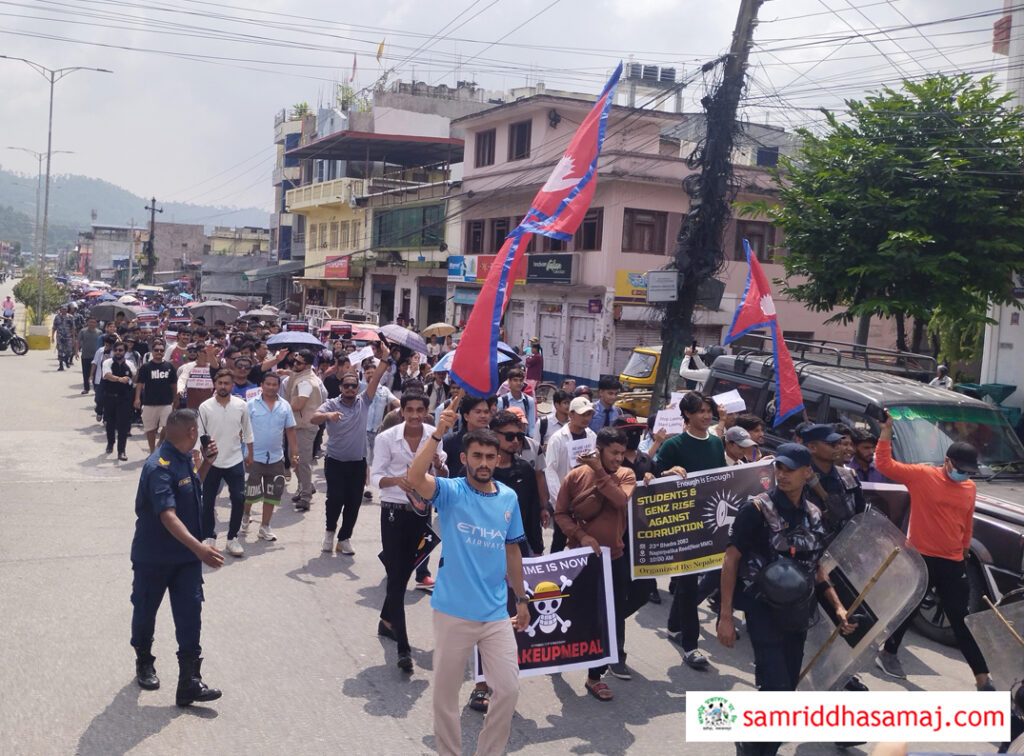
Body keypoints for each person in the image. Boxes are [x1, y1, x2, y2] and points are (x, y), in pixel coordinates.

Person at [718, 443, 857, 756]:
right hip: (762, 609)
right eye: (779, 468)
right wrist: (725, 616)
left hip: (798, 613)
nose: (782, 474)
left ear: (807, 472)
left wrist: (837, 607)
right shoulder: (756, 510)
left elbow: (816, 566)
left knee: (784, 692)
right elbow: (731, 559)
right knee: (778, 690)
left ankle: (750, 743)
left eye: (790, 469)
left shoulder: (814, 515)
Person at [406, 408, 530, 756]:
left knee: (507, 690)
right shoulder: (450, 491)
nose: (484, 462)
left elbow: (512, 551)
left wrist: (521, 599)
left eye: (490, 456)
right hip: (453, 611)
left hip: (495, 613)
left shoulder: (508, 498)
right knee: (445, 697)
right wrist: (437, 433)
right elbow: (415, 478)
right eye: (477, 456)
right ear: (464, 458)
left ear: (498, 459)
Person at [873, 413, 993, 690]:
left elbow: (966, 521)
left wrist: (964, 550)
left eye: (968, 471)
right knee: (909, 608)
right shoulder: (922, 476)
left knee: (961, 620)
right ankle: (888, 653)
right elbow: (884, 464)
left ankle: (982, 678)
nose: (964, 474)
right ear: (947, 462)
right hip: (921, 557)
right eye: (960, 468)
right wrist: (886, 432)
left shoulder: (969, 487)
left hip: (953, 561)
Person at [129, 409, 225, 707]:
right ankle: (144, 660)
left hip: (185, 560)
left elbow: (191, 487)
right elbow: (168, 516)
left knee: (190, 615)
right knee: (145, 612)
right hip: (154, 558)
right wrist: (200, 548)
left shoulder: (184, 457)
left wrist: (206, 464)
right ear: (192, 432)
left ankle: (189, 682)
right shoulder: (158, 466)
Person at [555, 426, 647, 697]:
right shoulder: (575, 476)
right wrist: (580, 535)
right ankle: (558, 655)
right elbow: (560, 513)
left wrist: (600, 472)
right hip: (580, 558)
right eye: (613, 452)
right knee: (573, 612)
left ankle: (594, 677)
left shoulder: (625, 475)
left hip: (614, 558)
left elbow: (619, 500)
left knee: (607, 617)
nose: (618, 458)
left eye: (621, 453)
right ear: (599, 450)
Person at [370, 392, 447, 671]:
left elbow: (443, 474)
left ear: (426, 412)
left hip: (422, 512)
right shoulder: (386, 438)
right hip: (393, 512)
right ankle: (403, 648)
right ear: (401, 411)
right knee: (396, 578)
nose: (414, 415)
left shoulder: (434, 436)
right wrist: (397, 481)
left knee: (402, 574)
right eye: (409, 410)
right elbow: (376, 477)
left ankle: (386, 621)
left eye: (419, 410)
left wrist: (438, 465)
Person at [655, 392, 723, 669]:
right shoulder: (673, 445)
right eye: (701, 411)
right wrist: (666, 474)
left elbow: (722, 479)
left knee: (691, 582)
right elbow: (653, 477)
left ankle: (674, 625)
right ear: (687, 414)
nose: (706, 416)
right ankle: (691, 646)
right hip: (682, 525)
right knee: (687, 583)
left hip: (709, 523)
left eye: (709, 410)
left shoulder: (716, 443)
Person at [309, 345, 388, 555]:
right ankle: (329, 533)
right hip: (335, 461)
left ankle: (344, 538)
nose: (351, 389)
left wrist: (385, 358)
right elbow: (313, 418)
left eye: (354, 386)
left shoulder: (364, 401)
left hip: (357, 463)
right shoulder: (331, 404)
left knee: (353, 502)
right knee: (335, 499)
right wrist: (327, 416)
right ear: (341, 387)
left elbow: (376, 378)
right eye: (347, 386)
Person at [198, 368, 255, 557]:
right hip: (211, 463)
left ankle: (232, 539)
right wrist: (198, 460)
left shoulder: (241, 405)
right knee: (207, 502)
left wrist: (250, 454)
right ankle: (209, 537)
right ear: (215, 384)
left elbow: (247, 431)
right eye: (220, 383)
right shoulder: (205, 407)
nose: (223, 386)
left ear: (232, 386)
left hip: (235, 460)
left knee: (239, 499)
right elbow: (199, 435)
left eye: (227, 383)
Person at [243, 372, 297, 543]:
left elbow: (290, 430)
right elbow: (242, 431)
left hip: (275, 458)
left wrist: (294, 454)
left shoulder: (285, 406)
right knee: (249, 493)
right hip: (253, 457)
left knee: (272, 494)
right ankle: (245, 515)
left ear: (278, 386)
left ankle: (265, 526)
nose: (271, 387)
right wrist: (246, 453)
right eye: (268, 384)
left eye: (274, 385)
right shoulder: (250, 405)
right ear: (262, 385)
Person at [544, 396, 597, 553]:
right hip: (564, 500)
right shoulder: (557, 439)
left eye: (589, 414)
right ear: (571, 414)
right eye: (582, 414)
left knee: (585, 539)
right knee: (560, 540)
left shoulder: (592, 436)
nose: (586, 418)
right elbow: (550, 470)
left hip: (586, 499)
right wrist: (559, 500)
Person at [285, 350, 323, 512]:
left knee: (302, 461)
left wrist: (281, 408)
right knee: (293, 457)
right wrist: (287, 372)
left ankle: (306, 496)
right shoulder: (300, 375)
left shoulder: (306, 382)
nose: (295, 364)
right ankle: (306, 486)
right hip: (297, 425)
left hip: (305, 426)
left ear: (307, 365)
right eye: (294, 360)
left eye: (299, 362)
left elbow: (299, 404)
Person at [134, 341, 178, 454]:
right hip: (149, 402)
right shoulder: (146, 367)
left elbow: (174, 384)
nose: (159, 352)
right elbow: (140, 384)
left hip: (166, 402)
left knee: (167, 427)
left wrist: (176, 398)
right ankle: (152, 451)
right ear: (152, 351)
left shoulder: (169, 366)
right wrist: (137, 398)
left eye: (161, 350)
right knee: (150, 429)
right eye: (156, 350)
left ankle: (159, 444)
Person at [102, 341, 136, 461]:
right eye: (116, 350)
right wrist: (119, 379)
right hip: (110, 397)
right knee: (110, 423)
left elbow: (135, 377)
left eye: (120, 350)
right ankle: (110, 443)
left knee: (123, 426)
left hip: (124, 399)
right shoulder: (107, 362)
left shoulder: (130, 364)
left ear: (125, 352)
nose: (118, 352)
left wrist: (131, 380)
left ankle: (121, 451)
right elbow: (107, 375)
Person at [497, 367, 536, 436]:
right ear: (509, 382)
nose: (518, 383)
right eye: (515, 380)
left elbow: (531, 424)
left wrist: (531, 438)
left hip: (523, 436)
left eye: (521, 380)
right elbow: (498, 423)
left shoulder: (529, 401)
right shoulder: (502, 401)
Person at [76, 316, 102, 395]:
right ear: (87, 323)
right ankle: (86, 388)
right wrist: (76, 352)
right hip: (85, 355)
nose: (92, 324)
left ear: (96, 323)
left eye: (94, 322)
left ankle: (96, 388)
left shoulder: (99, 332)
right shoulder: (83, 331)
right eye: (90, 322)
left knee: (95, 373)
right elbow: (78, 341)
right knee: (86, 373)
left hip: (96, 356)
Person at [52, 305, 76, 371]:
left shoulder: (70, 317)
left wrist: (73, 337)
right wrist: (52, 336)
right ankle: (61, 365)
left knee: (69, 351)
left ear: (67, 310)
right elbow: (54, 327)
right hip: (60, 336)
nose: (64, 310)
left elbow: (73, 327)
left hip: (68, 336)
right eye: (63, 309)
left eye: (65, 309)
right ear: (60, 310)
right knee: (60, 350)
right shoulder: (57, 317)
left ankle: (66, 359)